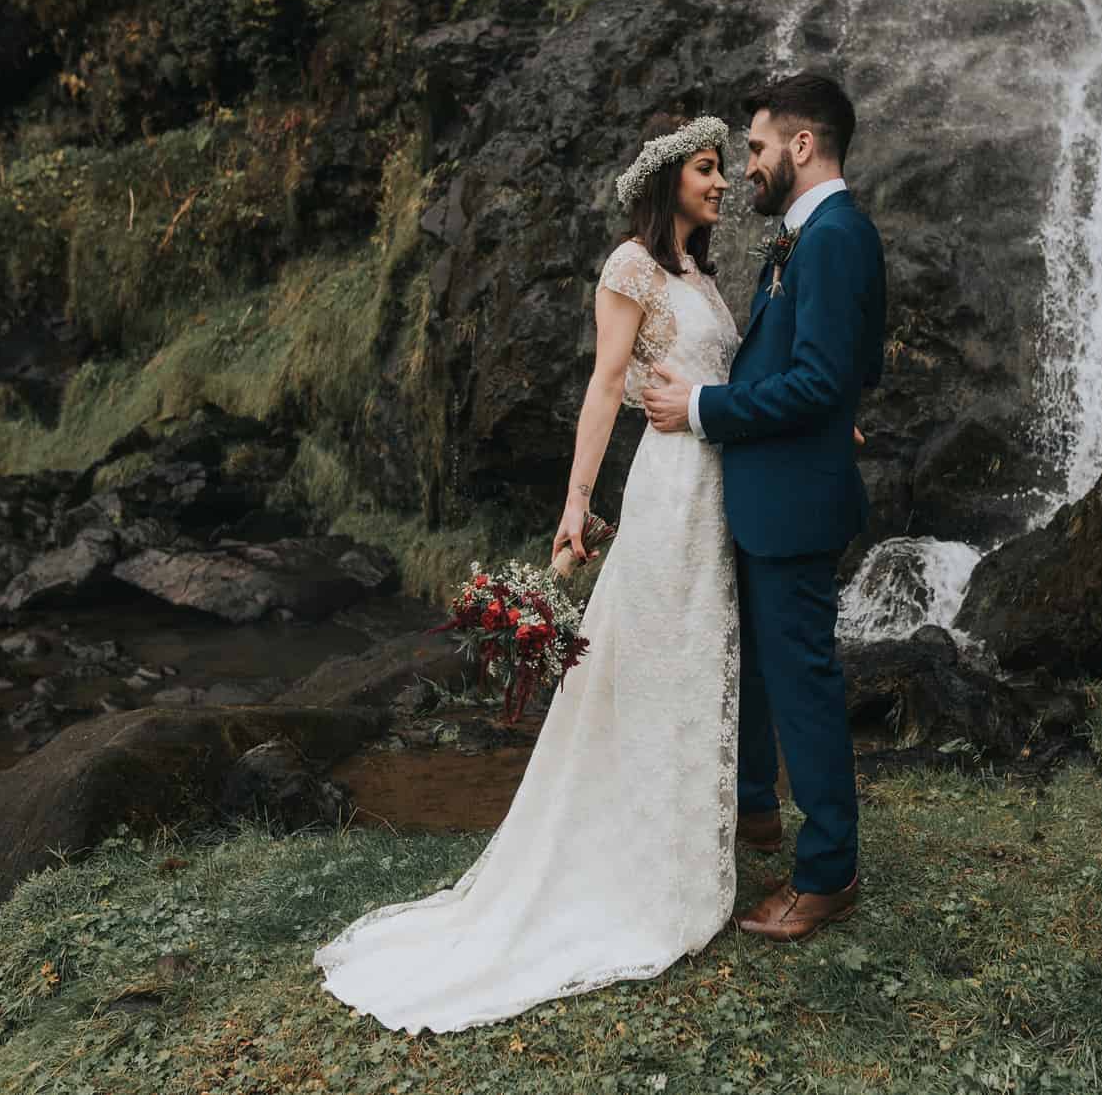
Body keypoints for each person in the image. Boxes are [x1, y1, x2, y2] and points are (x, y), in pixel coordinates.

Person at [313, 111, 744, 1033]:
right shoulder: (630, 269)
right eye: (709, 169)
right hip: (669, 491)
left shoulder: (703, 276)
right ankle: (642, 875)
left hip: (716, 489)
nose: (723, 183)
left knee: (694, 670)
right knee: (657, 672)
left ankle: (681, 858)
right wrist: (576, 505)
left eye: (723, 168)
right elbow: (604, 383)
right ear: (670, 180)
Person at [643, 73, 886, 942]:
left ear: (803, 146)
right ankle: (753, 812)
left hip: (790, 508)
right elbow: (860, 367)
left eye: (754, 147)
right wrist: (833, 422)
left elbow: (823, 376)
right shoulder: (809, 239)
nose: (746, 164)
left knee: (804, 683)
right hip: (775, 495)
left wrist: (704, 410)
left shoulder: (831, 240)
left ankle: (828, 876)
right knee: (759, 666)